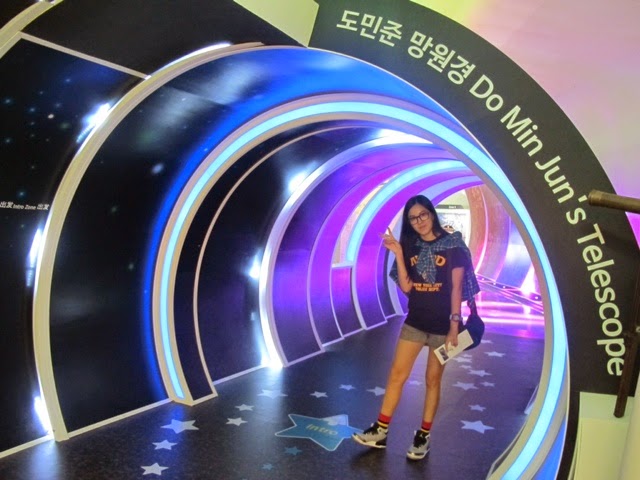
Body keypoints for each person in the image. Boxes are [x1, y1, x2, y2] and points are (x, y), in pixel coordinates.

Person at [352, 195, 480, 461]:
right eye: (413, 218)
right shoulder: (411, 246)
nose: (419, 221)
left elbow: (456, 288)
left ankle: (423, 436)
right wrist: (399, 253)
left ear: (431, 214)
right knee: (396, 375)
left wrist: (454, 326)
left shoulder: (453, 244)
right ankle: (381, 430)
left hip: (443, 327)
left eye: (423, 214)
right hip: (415, 322)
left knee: (432, 380)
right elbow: (407, 287)